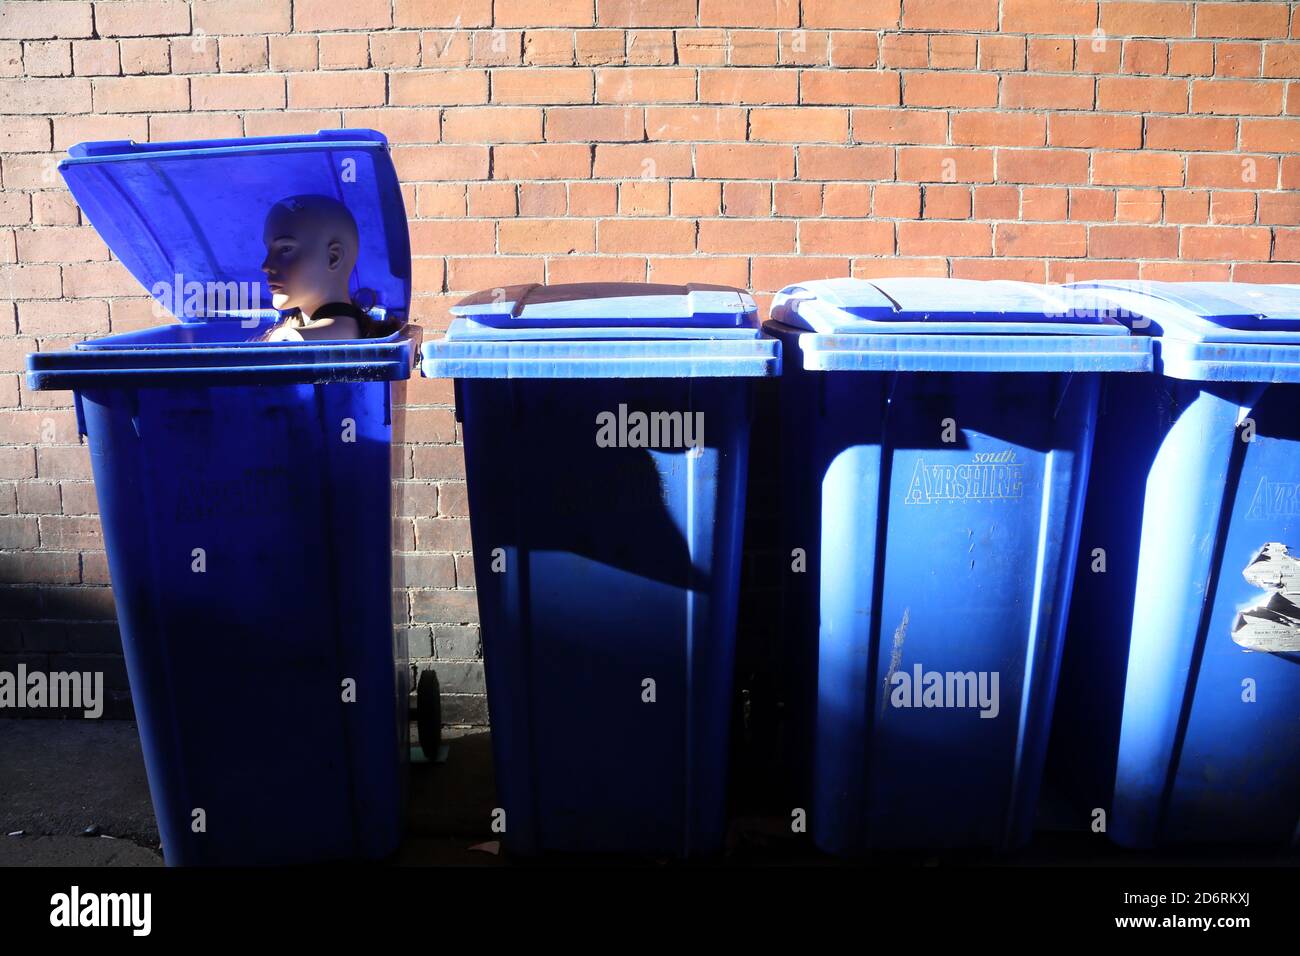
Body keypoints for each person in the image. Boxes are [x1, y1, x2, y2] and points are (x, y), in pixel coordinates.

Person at [253, 195, 376, 342]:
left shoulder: (288, 340)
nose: (266, 266)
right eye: (268, 250)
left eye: (285, 249)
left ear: (333, 257)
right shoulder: (351, 330)